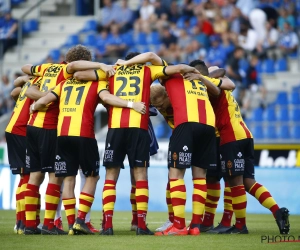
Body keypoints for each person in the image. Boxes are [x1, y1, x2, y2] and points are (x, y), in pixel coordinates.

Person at [75, 52, 199, 236]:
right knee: (140, 175)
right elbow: (178, 68)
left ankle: (107, 226)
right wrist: (194, 71)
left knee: (111, 175)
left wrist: (103, 67)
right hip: (138, 128)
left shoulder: (113, 70)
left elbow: (78, 75)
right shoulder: (148, 70)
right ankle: (140, 225)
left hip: (116, 128)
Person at [31, 60, 146, 235]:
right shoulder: (98, 83)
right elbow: (107, 98)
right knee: (92, 176)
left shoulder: (63, 83)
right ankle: (80, 220)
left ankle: (69, 225)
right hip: (84, 134)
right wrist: (131, 104)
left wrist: (33, 106)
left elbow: (43, 101)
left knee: (68, 179)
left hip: (62, 136)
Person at [117, 52, 220, 236]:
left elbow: (150, 56)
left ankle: (178, 225)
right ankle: (196, 225)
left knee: (175, 175)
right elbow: (218, 90)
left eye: (160, 106)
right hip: (209, 126)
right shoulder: (197, 80)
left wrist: (126, 63)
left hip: (187, 124)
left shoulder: (170, 75)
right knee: (200, 177)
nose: (161, 109)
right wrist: (202, 78)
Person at [185, 61, 290, 235]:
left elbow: (221, 77)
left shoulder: (209, 87)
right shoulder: (217, 83)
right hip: (245, 135)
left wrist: (202, 78)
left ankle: (240, 225)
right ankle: (277, 212)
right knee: (248, 182)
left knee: (234, 182)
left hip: (231, 137)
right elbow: (222, 72)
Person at [20, 45, 113, 235]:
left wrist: (38, 103)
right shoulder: (71, 72)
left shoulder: (48, 69)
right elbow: (102, 94)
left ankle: (30, 225)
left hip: (38, 126)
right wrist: (102, 66)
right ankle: (53, 224)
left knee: (39, 176)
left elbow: (26, 77)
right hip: (53, 128)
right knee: (63, 176)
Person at [5, 75, 41, 234]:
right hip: (22, 131)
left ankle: (20, 223)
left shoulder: (31, 82)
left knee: (23, 177)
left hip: (12, 128)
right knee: (28, 177)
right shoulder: (43, 84)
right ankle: (26, 223)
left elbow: (14, 91)